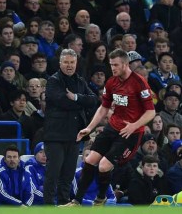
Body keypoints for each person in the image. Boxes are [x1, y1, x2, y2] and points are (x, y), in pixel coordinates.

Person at [63, 48, 155, 206]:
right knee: (89, 160)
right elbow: (103, 108)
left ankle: (101, 199)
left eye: (116, 65)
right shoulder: (111, 82)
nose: (113, 68)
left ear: (126, 64)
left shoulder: (139, 83)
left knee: (104, 166)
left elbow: (150, 112)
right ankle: (76, 201)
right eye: (111, 64)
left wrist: (134, 125)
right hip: (112, 127)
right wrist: (89, 128)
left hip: (130, 133)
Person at [43, 48, 97, 205]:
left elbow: (94, 100)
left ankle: (64, 203)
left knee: (67, 175)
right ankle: (48, 207)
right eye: (66, 62)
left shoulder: (80, 81)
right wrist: (80, 103)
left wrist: (75, 97)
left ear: (76, 63)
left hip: (75, 135)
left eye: (72, 62)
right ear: (60, 63)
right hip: (55, 136)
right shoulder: (53, 81)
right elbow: (61, 102)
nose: (69, 65)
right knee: (53, 175)